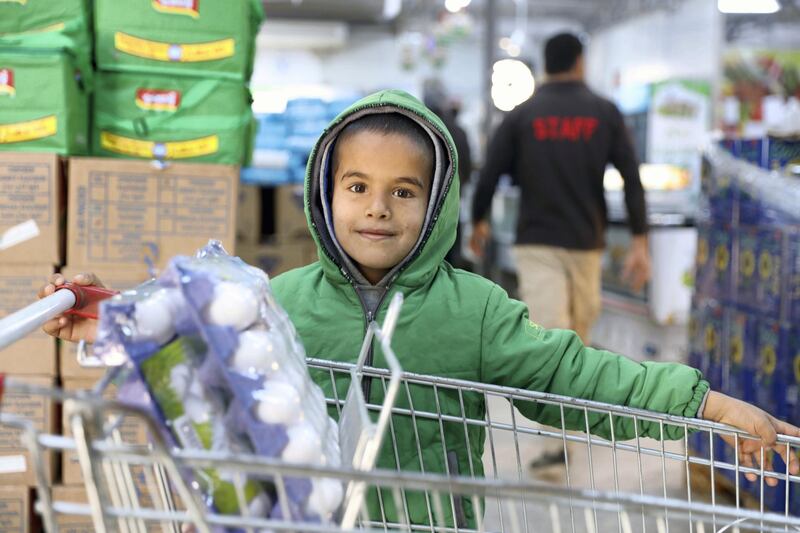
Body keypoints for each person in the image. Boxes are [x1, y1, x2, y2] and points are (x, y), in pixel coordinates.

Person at [40, 90, 798, 528]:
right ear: (324, 193)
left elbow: (576, 377)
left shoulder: (474, 310)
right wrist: (102, 312)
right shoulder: (281, 301)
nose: (377, 208)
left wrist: (707, 402)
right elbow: (193, 336)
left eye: (404, 191)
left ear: (434, 202)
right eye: (356, 186)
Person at [471, 32, 651, 344]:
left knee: (550, 336)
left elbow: (488, 175)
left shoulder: (521, 115)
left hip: (536, 240)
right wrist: (640, 242)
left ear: (546, 64)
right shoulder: (604, 112)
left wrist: (478, 221)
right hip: (587, 240)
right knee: (576, 339)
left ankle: (552, 394)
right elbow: (632, 179)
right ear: (580, 62)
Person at [423, 78, 473, 270]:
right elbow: (467, 170)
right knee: (450, 263)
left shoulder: (417, 130)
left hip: (421, 213)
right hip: (452, 208)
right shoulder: (458, 131)